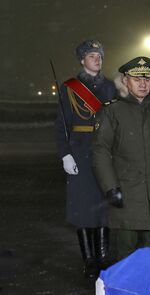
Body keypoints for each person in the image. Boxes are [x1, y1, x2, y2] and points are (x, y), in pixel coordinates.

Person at [92, 56, 150, 259]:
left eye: (146, 79)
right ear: (125, 81)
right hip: (127, 196)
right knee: (127, 256)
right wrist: (110, 187)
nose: (143, 84)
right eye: (137, 79)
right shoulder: (113, 111)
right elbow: (100, 151)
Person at [54, 40, 116, 277]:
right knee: (82, 207)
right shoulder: (70, 87)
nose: (97, 59)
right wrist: (65, 154)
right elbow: (61, 125)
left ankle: (103, 257)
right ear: (82, 60)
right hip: (80, 152)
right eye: (91, 55)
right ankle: (89, 259)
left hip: (105, 151)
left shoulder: (110, 87)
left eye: (99, 55)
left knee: (103, 205)